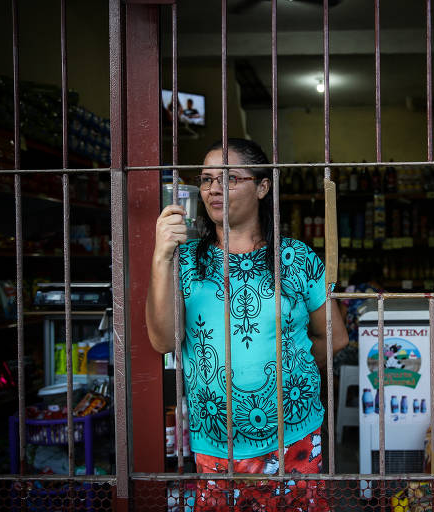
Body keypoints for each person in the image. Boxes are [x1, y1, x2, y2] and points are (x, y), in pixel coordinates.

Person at [146, 138, 348, 511]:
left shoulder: (296, 258)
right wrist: (161, 257)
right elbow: (162, 341)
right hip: (215, 443)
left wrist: (290, 366)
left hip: (295, 436)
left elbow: (333, 337)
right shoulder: (184, 261)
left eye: (230, 178)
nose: (214, 189)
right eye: (206, 180)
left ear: (262, 186)